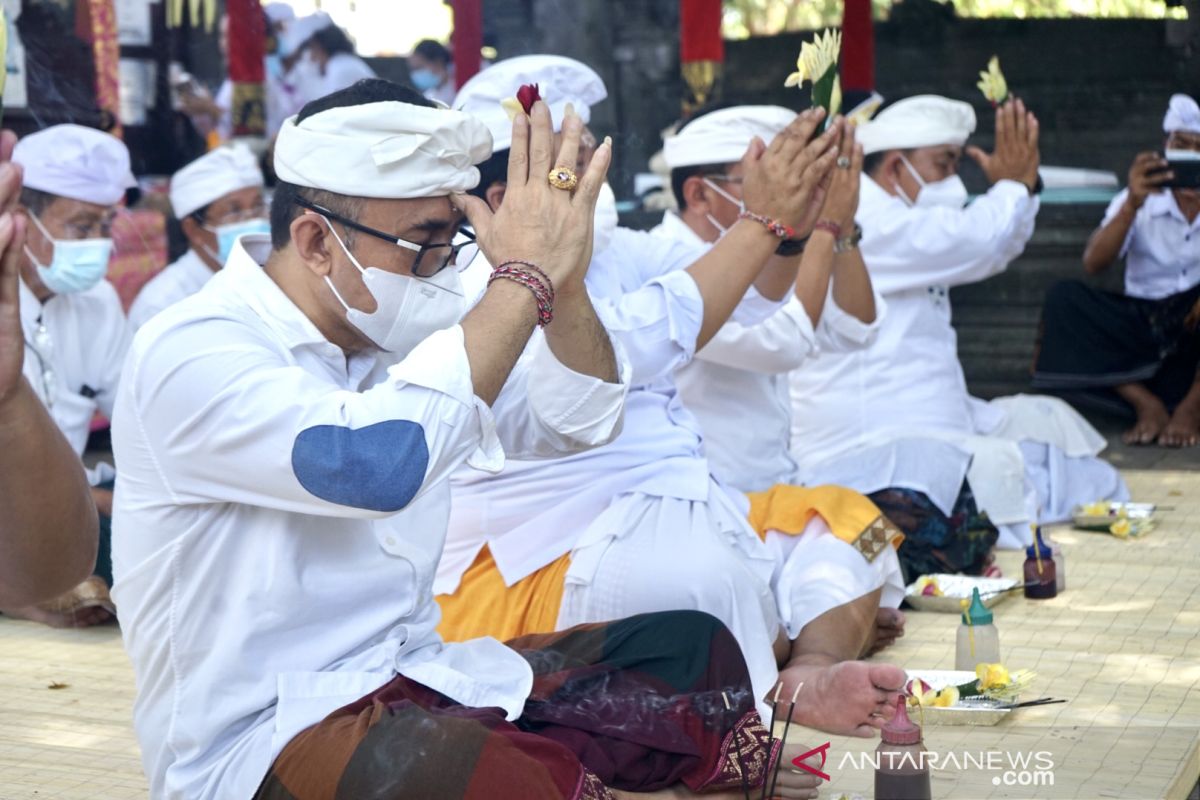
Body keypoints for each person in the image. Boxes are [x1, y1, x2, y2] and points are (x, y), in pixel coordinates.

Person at [111, 78, 817, 800]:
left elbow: (577, 415)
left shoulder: (402, 327)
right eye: (424, 240)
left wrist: (562, 282)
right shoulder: (193, 348)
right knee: (466, 768)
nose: (448, 265)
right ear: (316, 241)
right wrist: (523, 277)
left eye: (455, 237)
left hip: (417, 682)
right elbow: (372, 466)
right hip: (267, 734)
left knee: (685, 650)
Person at [437, 56, 906, 740]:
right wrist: (762, 225)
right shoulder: (471, 286)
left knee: (859, 527)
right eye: (569, 170)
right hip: (555, 546)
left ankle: (810, 664)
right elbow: (626, 352)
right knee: (699, 586)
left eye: (588, 160)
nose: (592, 184)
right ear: (507, 194)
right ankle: (771, 655)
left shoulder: (624, 250)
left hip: (697, 499)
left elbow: (753, 301)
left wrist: (790, 230)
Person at [788, 95, 1128, 570]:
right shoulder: (864, 221)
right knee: (933, 519)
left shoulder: (890, 217)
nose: (951, 179)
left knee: (1063, 450)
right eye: (942, 163)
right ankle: (882, 570)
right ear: (893, 167)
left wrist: (1021, 188)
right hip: (875, 440)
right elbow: (976, 239)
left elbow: (992, 248)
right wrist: (1013, 186)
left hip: (938, 420)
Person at [660, 104, 907, 656]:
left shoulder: (772, 256)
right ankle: (824, 646)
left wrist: (839, 233)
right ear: (701, 194)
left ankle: (832, 625)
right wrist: (818, 225)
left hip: (783, 499)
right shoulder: (674, 263)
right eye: (770, 178)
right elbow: (781, 342)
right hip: (717, 510)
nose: (791, 190)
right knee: (850, 538)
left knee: (874, 536)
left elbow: (857, 328)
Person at [0, 124, 134, 628]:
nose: (99, 243)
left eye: (105, 226)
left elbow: (140, 417)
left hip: (72, 497)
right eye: (81, 227)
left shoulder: (96, 302)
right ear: (20, 221)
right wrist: (98, 501)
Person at [1034, 93, 1200, 448]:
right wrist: (1132, 205)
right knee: (1065, 299)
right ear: (1165, 148)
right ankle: (1145, 403)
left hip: (1194, 331)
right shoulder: (1138, 198)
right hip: (1141, 326)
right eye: (1182, 146)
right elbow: (1094, 264)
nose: (1192, 159)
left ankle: (1190, 409)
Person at [129, 143, 266, 330]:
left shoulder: (266, 280)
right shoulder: (163, 305)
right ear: (193, 229)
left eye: (258, 206)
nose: (252, 220)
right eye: (234, 211)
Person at [306, 22, 376, 99]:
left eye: (313, 48)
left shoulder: (339, 69)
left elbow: (331, 106)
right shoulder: (343, 62)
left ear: (321, 47)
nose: (311, 57)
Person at [410, 38, 456, 106]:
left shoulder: (459, 89)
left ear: (438, 62)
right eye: (413, 69)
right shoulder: (428, 96)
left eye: (419, 67)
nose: (416, 73)